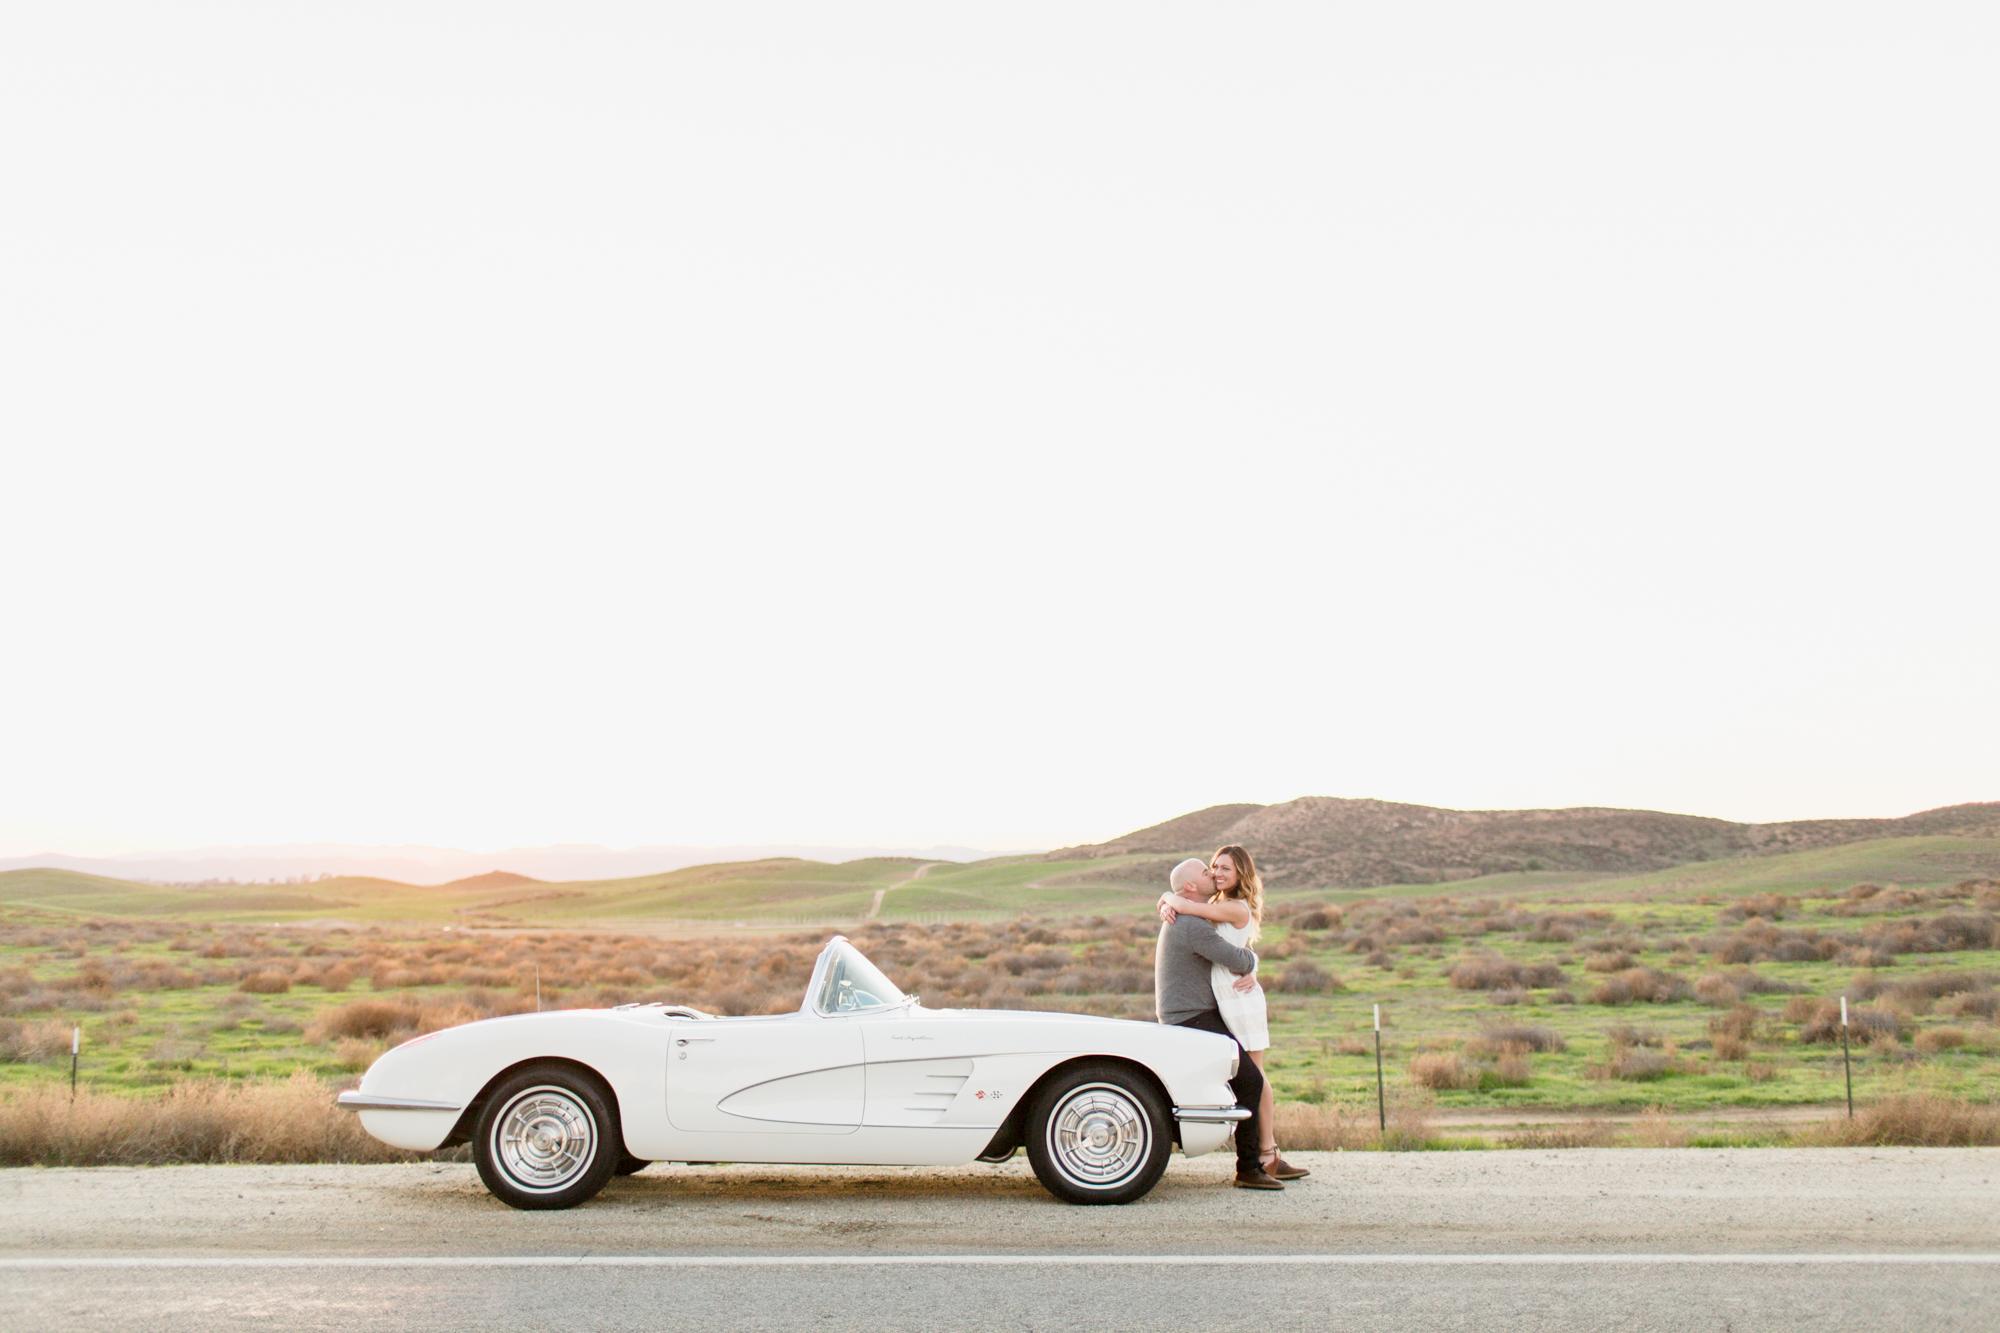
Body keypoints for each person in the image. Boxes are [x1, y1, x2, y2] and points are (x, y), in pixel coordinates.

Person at [1158, 845, 1309, 1181]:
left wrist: (1170, 898)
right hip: (1196, 1012)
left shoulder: (1203, 912)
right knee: (1251, 1078)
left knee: (1252, 1077)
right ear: (1192, 886)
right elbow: (1237, 957)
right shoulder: (1192, 922)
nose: (1214, 874)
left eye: (1222, 868)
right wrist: (1170, 898)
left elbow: (1239, 955)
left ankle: (1262, 1158)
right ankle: (1254, 1164)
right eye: (1209, 869)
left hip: (1230, 1001)